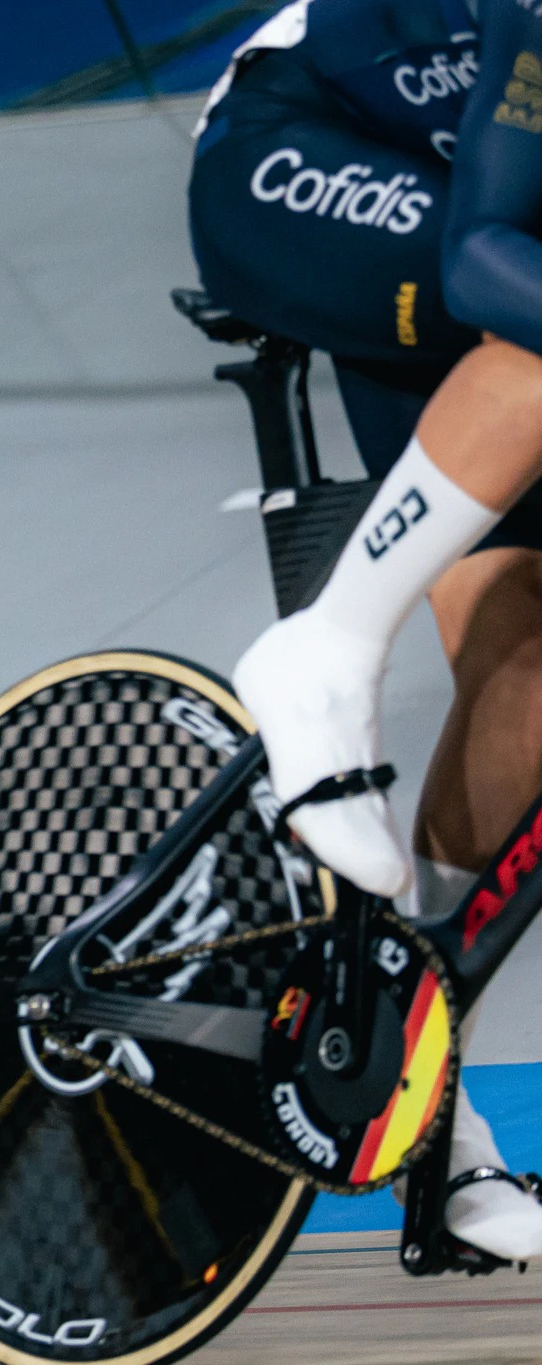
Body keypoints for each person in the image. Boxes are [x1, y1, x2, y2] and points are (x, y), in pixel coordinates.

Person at [190, 0, 542, 1259]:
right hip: (305, 143)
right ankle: (324, 646)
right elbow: (482, 256)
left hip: (461, 200)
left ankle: (417, 1074)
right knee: (519, 327)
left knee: (529, 683)